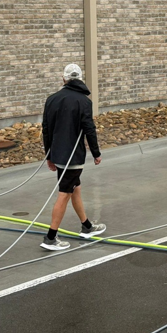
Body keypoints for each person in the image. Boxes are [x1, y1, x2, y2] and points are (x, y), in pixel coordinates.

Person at [40, 63, 106, 250]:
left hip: (59, 154)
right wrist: (96, 152)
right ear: (80, 79)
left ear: (64, 78)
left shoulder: (52, 99)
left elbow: (46, 129)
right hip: (72, 157)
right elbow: (89, 129)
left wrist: (49, 155)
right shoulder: (84, 101)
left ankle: (86, 226)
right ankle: (50, 238)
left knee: (75, 187)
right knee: (65, 193)